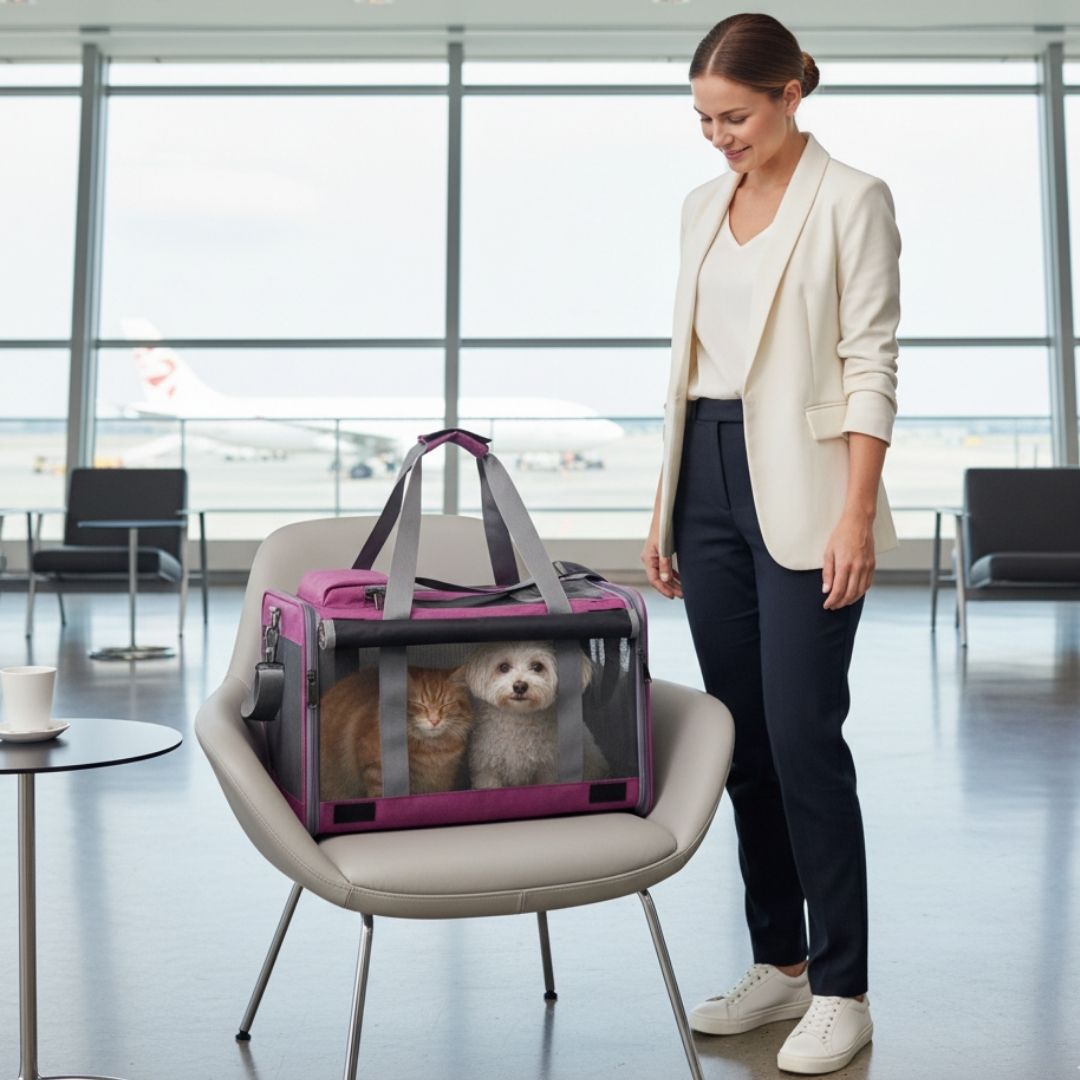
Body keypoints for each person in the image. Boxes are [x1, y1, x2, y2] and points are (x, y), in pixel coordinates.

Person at [640, 13, 901, 1076]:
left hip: (806, 486)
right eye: (704, 120)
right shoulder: (700, 207)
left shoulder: (853, 199)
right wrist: (666, 505)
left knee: (803, 738)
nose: (719, 137)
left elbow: (871, 361)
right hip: (705, 477)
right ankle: (780, 964)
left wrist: (856, 512)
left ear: (792, 93)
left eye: (735, 116)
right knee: (742, 739)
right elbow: (687, 367)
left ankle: (843, 989)